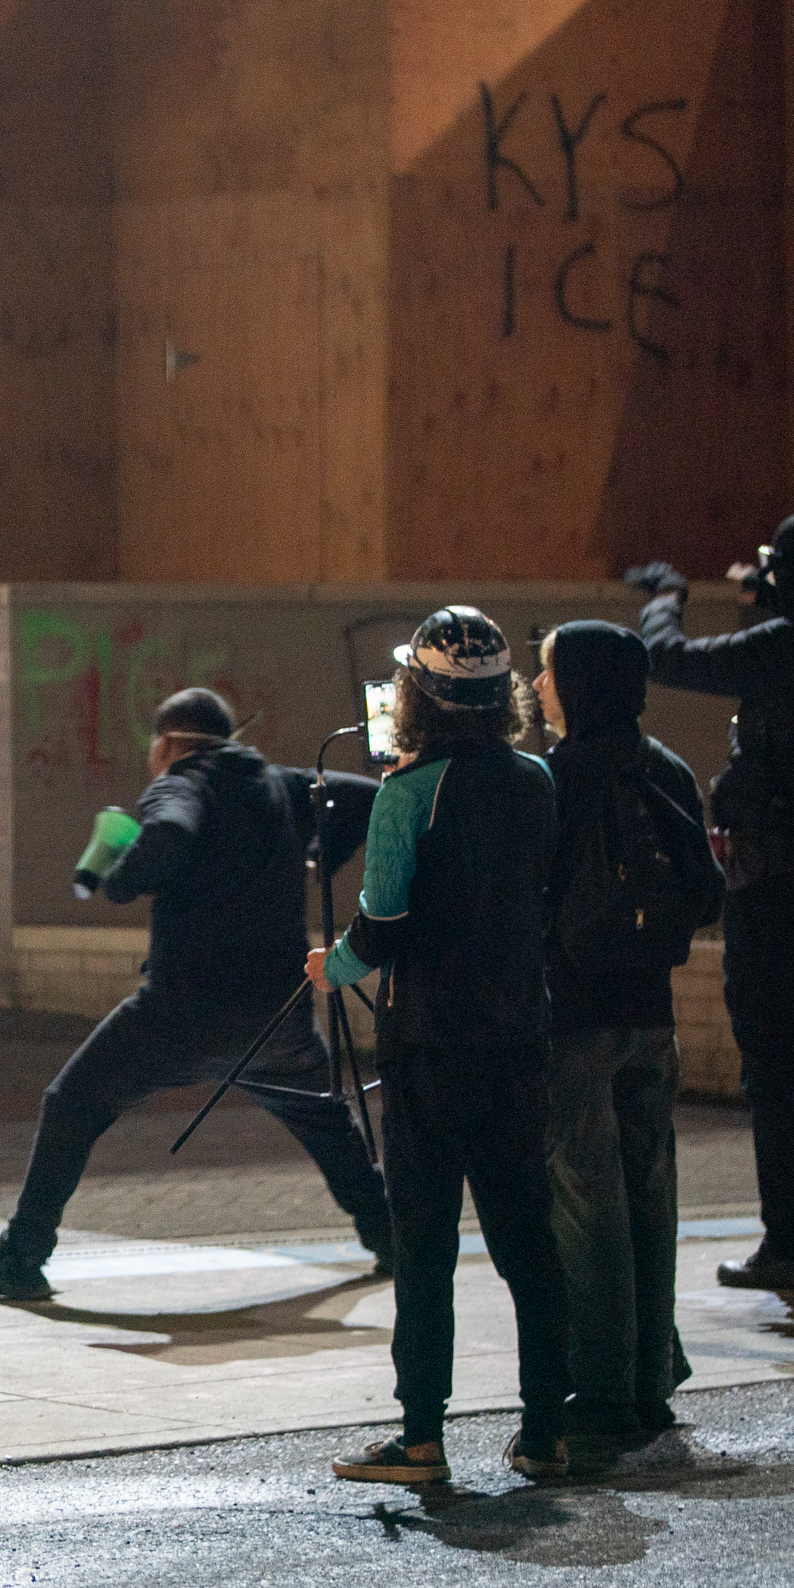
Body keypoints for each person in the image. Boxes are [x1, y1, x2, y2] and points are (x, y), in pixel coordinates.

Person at [0, 687, 393, 1301]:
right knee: (326, 1121)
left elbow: (171, 831)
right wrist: (319, 854)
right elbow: (370, 797)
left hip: (182, 1011)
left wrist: (121, 880)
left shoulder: (182, 781)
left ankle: (21, 1259)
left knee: (72, 1103)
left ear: (168, 744)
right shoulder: (281, 784)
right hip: (276, 1013)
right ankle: (390, 1239)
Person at [309, 606, 571, 1485]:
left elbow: (382, 925)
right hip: (518, 1033)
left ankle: (421, 1438)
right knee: (526, 1236)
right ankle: (545, 1432)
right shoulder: (536, 780)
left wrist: (331, 967)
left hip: (430, 1042)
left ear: (418, 698)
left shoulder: (406, 793)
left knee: (425, 1242)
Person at [534, 622, 722, 1452]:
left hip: (572, 1017)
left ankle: (603, 1393)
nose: (538, 687)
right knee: (651, 1196)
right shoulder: (666, 767)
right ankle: (650, 1382)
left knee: (588, 1205)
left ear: (576, 684)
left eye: (547, 673)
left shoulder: (553, 778)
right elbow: (704, 889)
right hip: (652, 1014)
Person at [629, 515, 794, 1290]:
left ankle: (789, 1243)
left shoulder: (779, 647)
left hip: (778, 894)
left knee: (776, 1066)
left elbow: (667, 656)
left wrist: (666, 598)